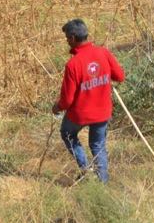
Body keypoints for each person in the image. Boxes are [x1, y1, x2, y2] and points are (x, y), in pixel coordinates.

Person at [52, 18, 125, 182]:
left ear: (72, 38)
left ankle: (85, 168)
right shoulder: (103, 53)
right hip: (102, 112)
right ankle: (102, 182)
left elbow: (67, 101)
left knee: (67, 133)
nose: (66, 42)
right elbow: (120, 76)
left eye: (66, 39)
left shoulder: (73, 65)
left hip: (80, 114)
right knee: (98, 146)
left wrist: (56, 107)